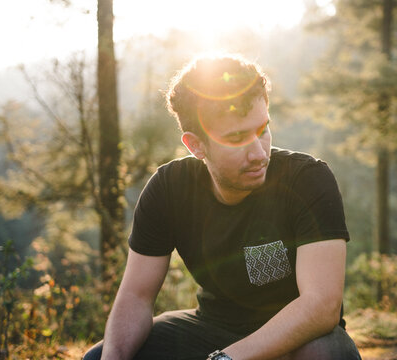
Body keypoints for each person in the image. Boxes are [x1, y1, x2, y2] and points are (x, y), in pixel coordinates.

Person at [83, 54, 361, 360]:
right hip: (209, 328)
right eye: (237, 138)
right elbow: (136, 297)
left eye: (262, 130)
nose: (258, 154)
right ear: (196, 145)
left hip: (296, 336)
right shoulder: (168, 189)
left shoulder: (307, 179)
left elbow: (321, 306)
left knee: (327, 354)